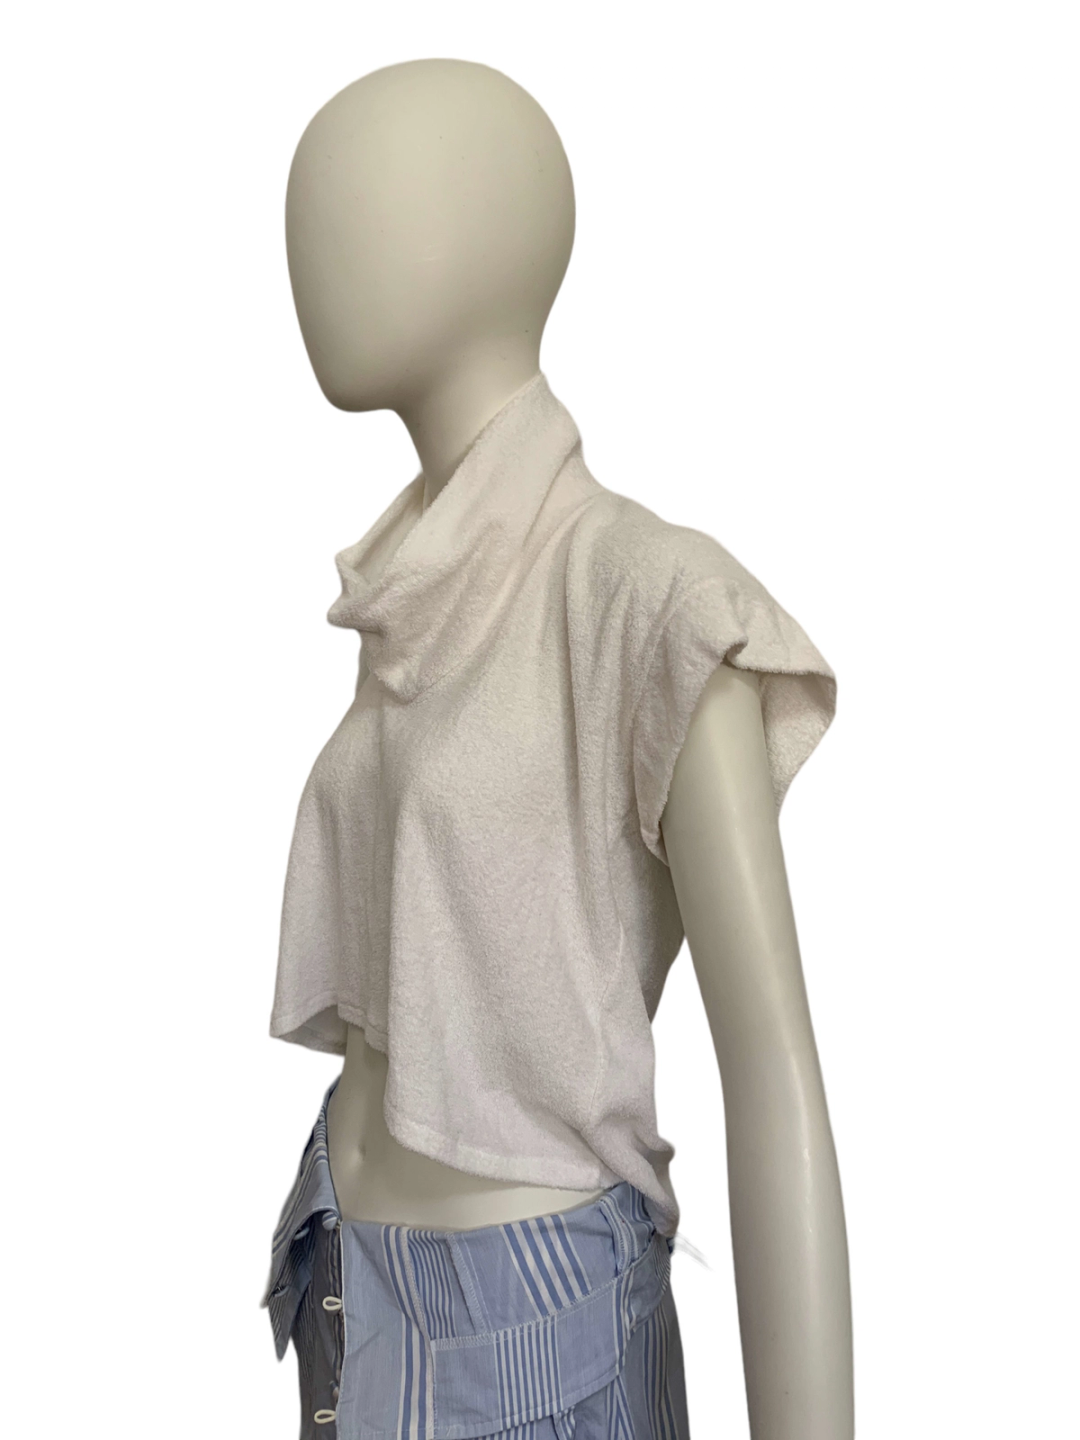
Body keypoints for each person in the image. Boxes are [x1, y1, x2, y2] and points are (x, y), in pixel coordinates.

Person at [262, 58, 853, 1440]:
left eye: (361, 196)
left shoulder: (646, 597)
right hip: (347, 1271)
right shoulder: (411, 598)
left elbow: (774, 1075)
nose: (308, 246)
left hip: (528, 1338)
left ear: (496, 232)